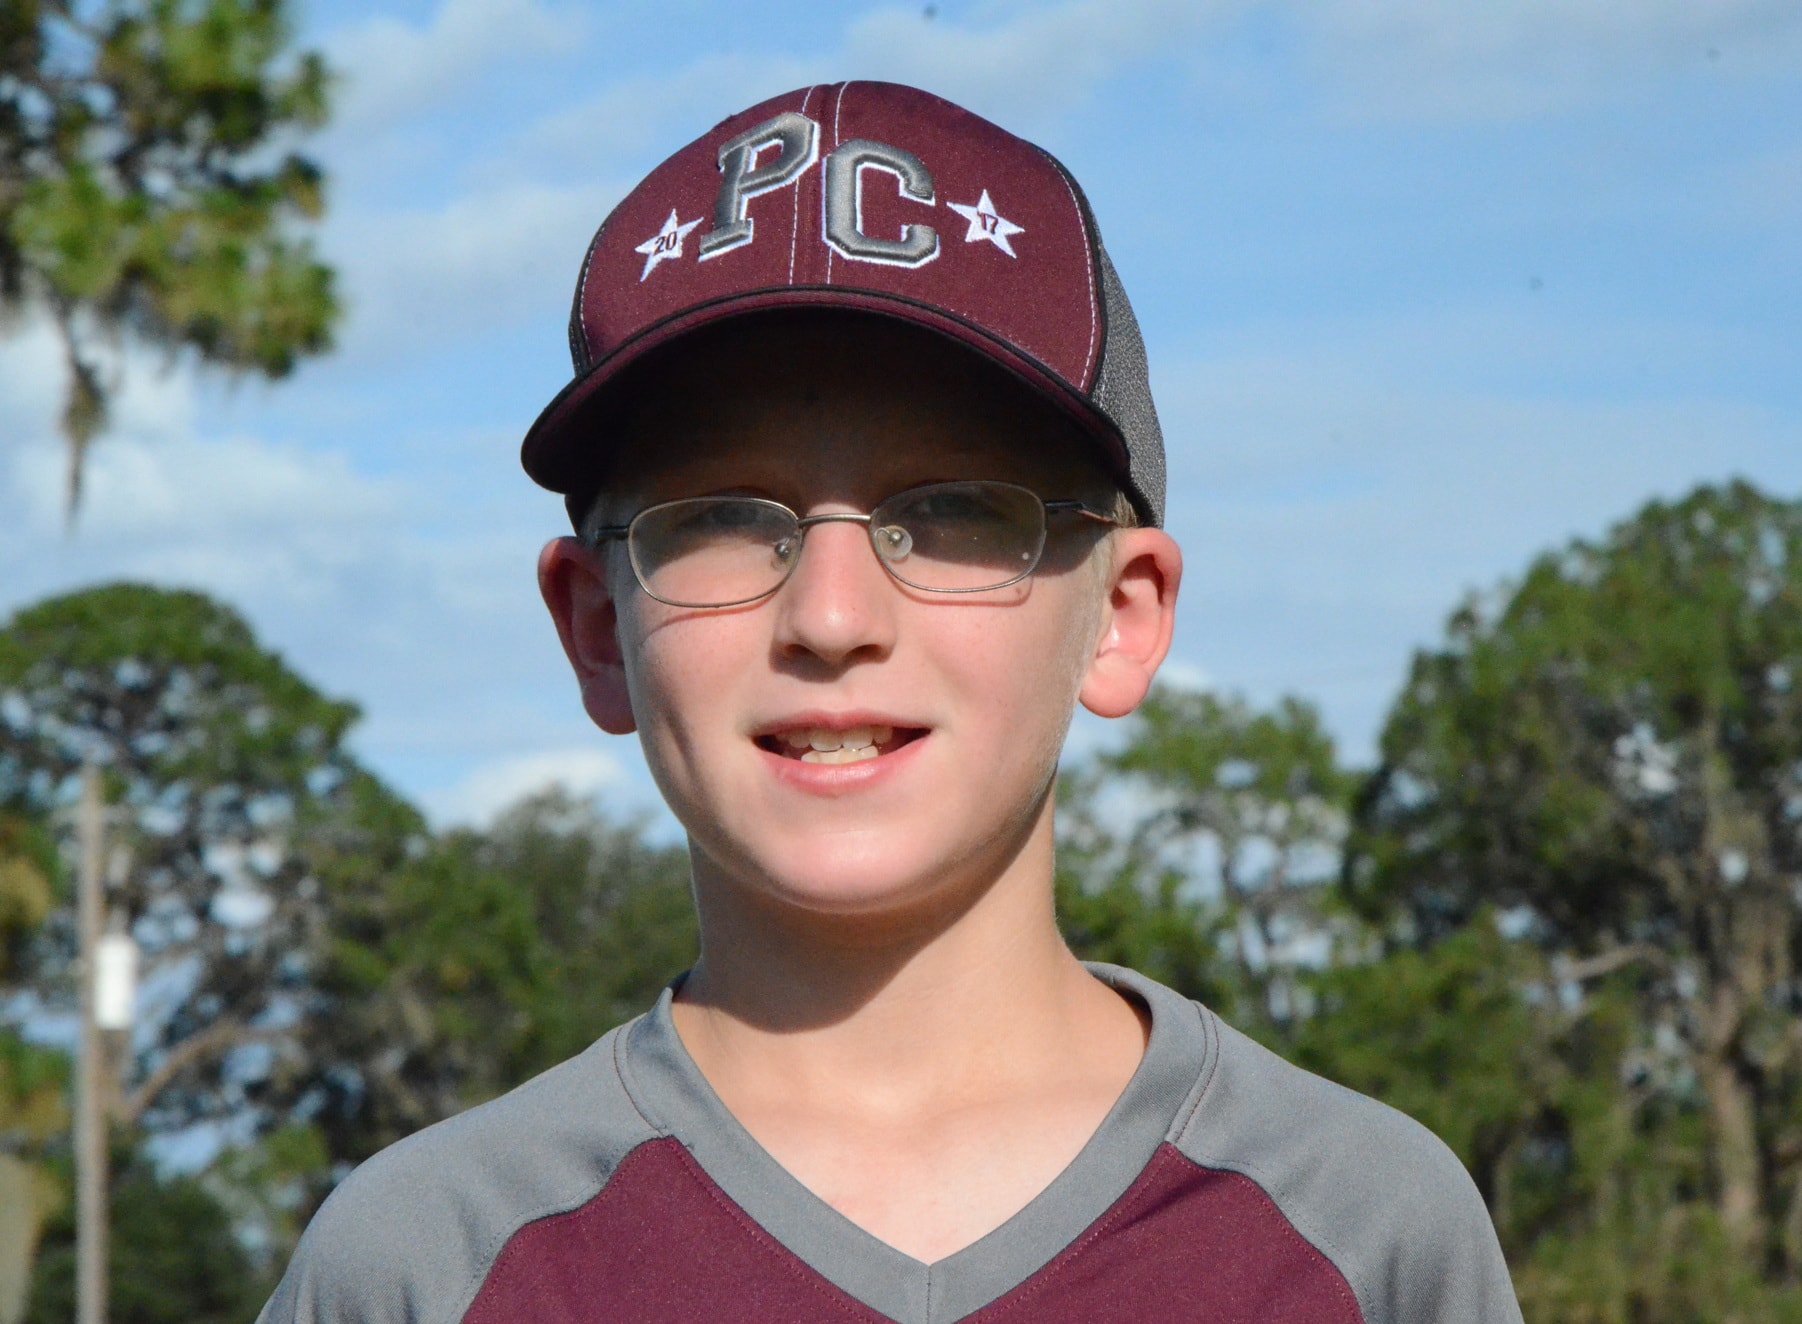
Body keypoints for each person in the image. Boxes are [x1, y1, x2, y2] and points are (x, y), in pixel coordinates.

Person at [258, 81, 1523, 1323]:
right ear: (597, 628)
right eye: (719, 520)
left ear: (1122, 614)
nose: (831, 616)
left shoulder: (1358, 1235)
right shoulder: (427, 1264)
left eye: (952, 509)